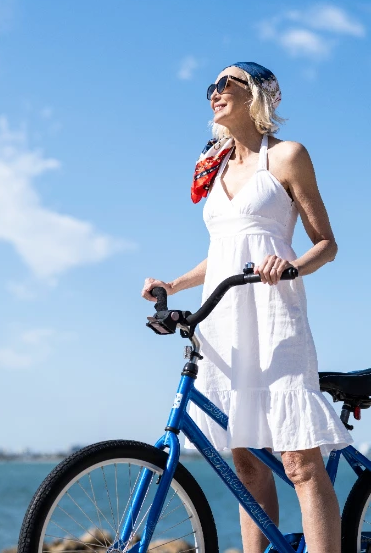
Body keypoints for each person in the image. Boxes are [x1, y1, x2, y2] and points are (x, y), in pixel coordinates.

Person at [141, 62, 353, 553]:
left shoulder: (286, 156)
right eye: (210, 87)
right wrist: (173, 283)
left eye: (225, 84)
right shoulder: (215, 168)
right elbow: (224, 251)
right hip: (225, 321)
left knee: (300, 462)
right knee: (247, 464)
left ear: (256, 94)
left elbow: (326, 243)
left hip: (275, 313)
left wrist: (293, 264)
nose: (214, 93)